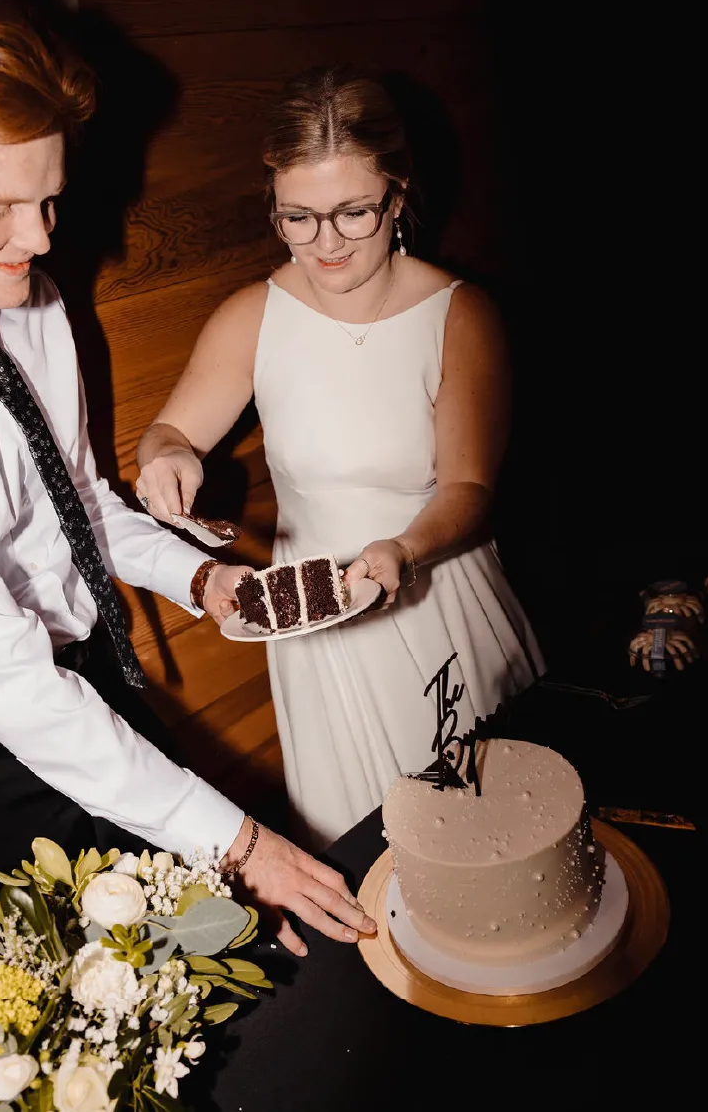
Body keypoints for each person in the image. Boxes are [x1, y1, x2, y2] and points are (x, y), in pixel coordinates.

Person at [0, 0, 375, 957]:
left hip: (81, 672)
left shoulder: (32, 297)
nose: (43, 237)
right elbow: (4, 682)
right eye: (2, 207)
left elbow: (76, 506)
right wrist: (240, 841)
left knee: (218, 945)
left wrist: (198, 576)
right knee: (108, 987)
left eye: (49, 196)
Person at [137, 65, 546, 849]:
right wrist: (165, 456)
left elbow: (467, 485)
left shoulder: (459, 314)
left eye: (353, 212)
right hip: (316, 627)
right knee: (362, 849)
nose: (324, 243)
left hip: (433, 597)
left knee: (490, 841)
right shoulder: (252, 315)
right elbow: (169, 433)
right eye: (298, 218)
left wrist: (402, 549)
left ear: (396, 194)